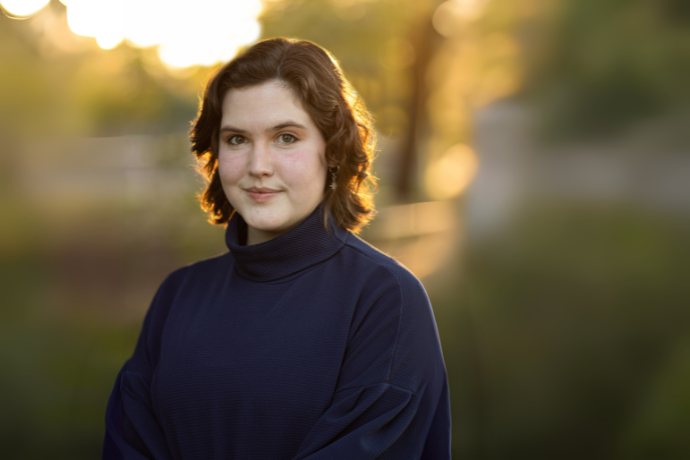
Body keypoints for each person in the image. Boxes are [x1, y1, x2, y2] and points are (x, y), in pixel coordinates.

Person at [103, 37, 451, 460]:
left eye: (286, 137)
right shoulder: (178, 296)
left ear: (333, 149)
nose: (258, 166)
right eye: (236, 140)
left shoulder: (385, 299)